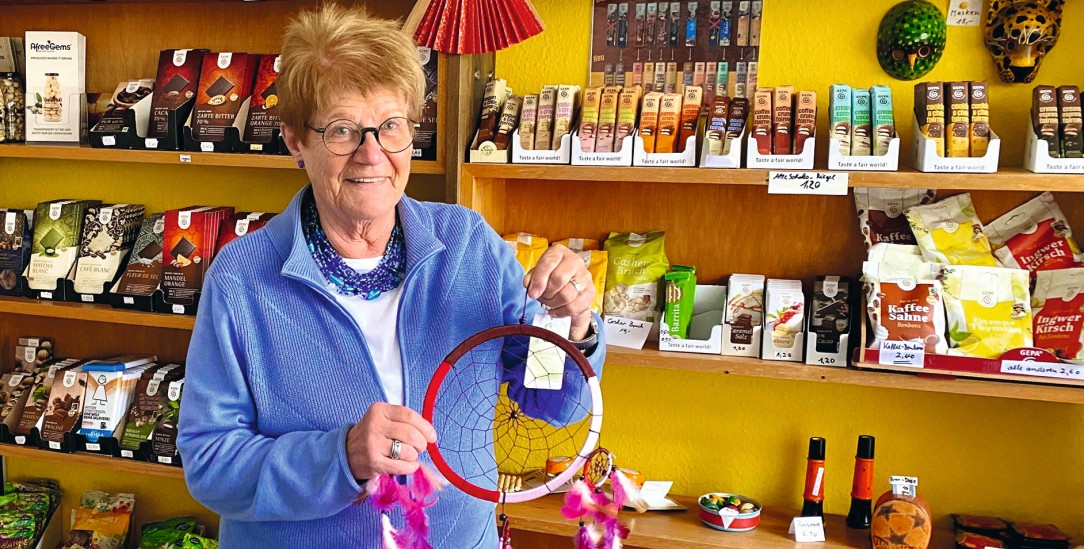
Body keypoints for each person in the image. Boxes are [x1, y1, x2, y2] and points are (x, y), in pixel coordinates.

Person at [176, 4, 605, 548]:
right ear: (294, 141)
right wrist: (342, 456)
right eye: (342, 130)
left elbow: (549, 402)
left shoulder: (468, 246)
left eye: (391, 126)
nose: (372, 153)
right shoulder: (241, 279)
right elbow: (211, 463)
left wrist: (572, 325)